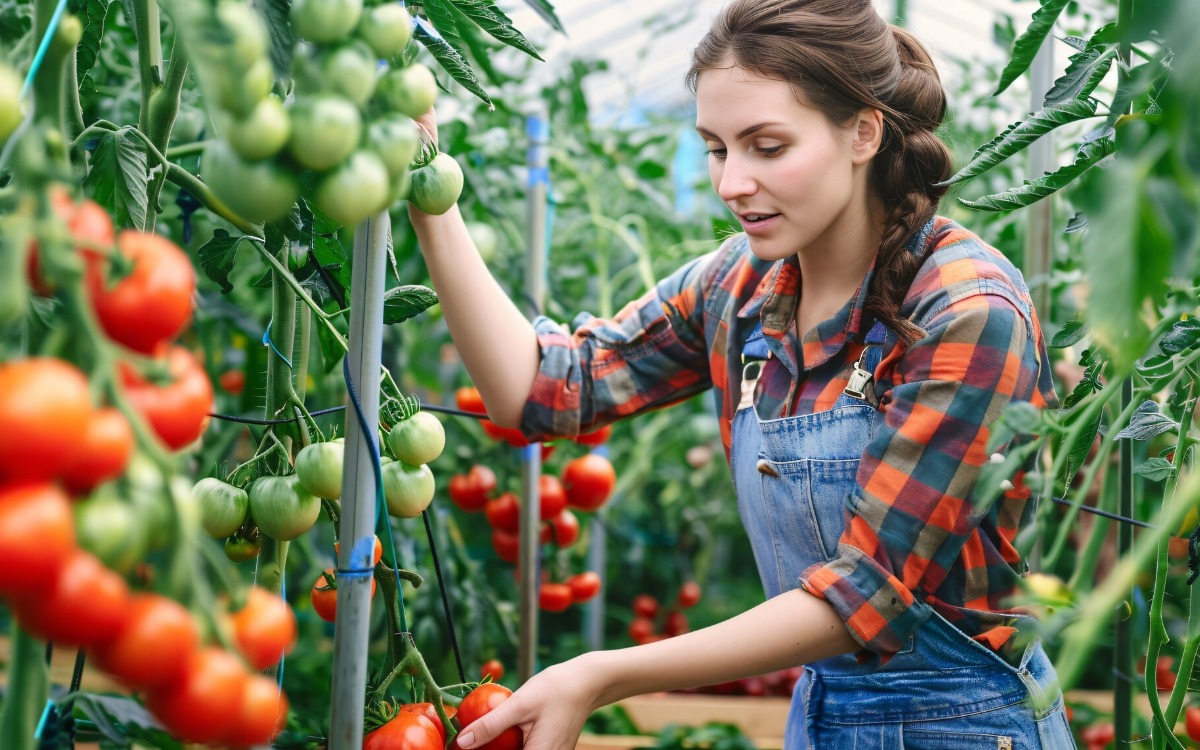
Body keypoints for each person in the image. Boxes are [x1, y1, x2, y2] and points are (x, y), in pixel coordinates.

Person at [411, 0, 1070, 747]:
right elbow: (545, 389)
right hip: (821, 713)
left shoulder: (965, 309)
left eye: (766, 146)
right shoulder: (742, 288)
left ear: (863, 132)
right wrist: (430, 196)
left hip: (964, 724)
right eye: (718, 149)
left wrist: (603, 674)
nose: (730, 183)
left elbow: (868, 594)